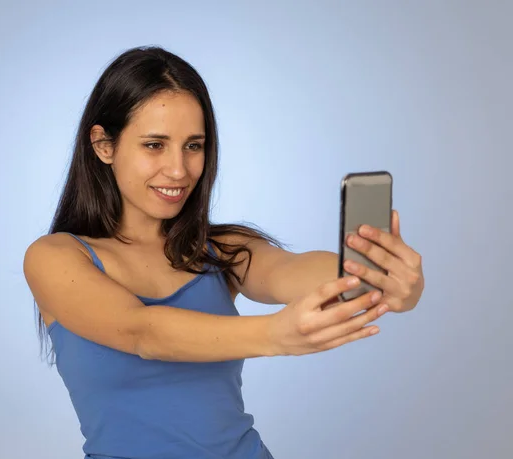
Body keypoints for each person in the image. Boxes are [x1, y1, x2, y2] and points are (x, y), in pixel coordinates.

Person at [23, 45, 425, 459]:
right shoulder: (55, 257)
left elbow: (293, 270)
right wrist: (274, 335)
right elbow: (142, 332)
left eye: (193, 146)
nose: (179, 170)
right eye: (155, 145)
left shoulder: (219, 249)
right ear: (104, 145)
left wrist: (375, 276)